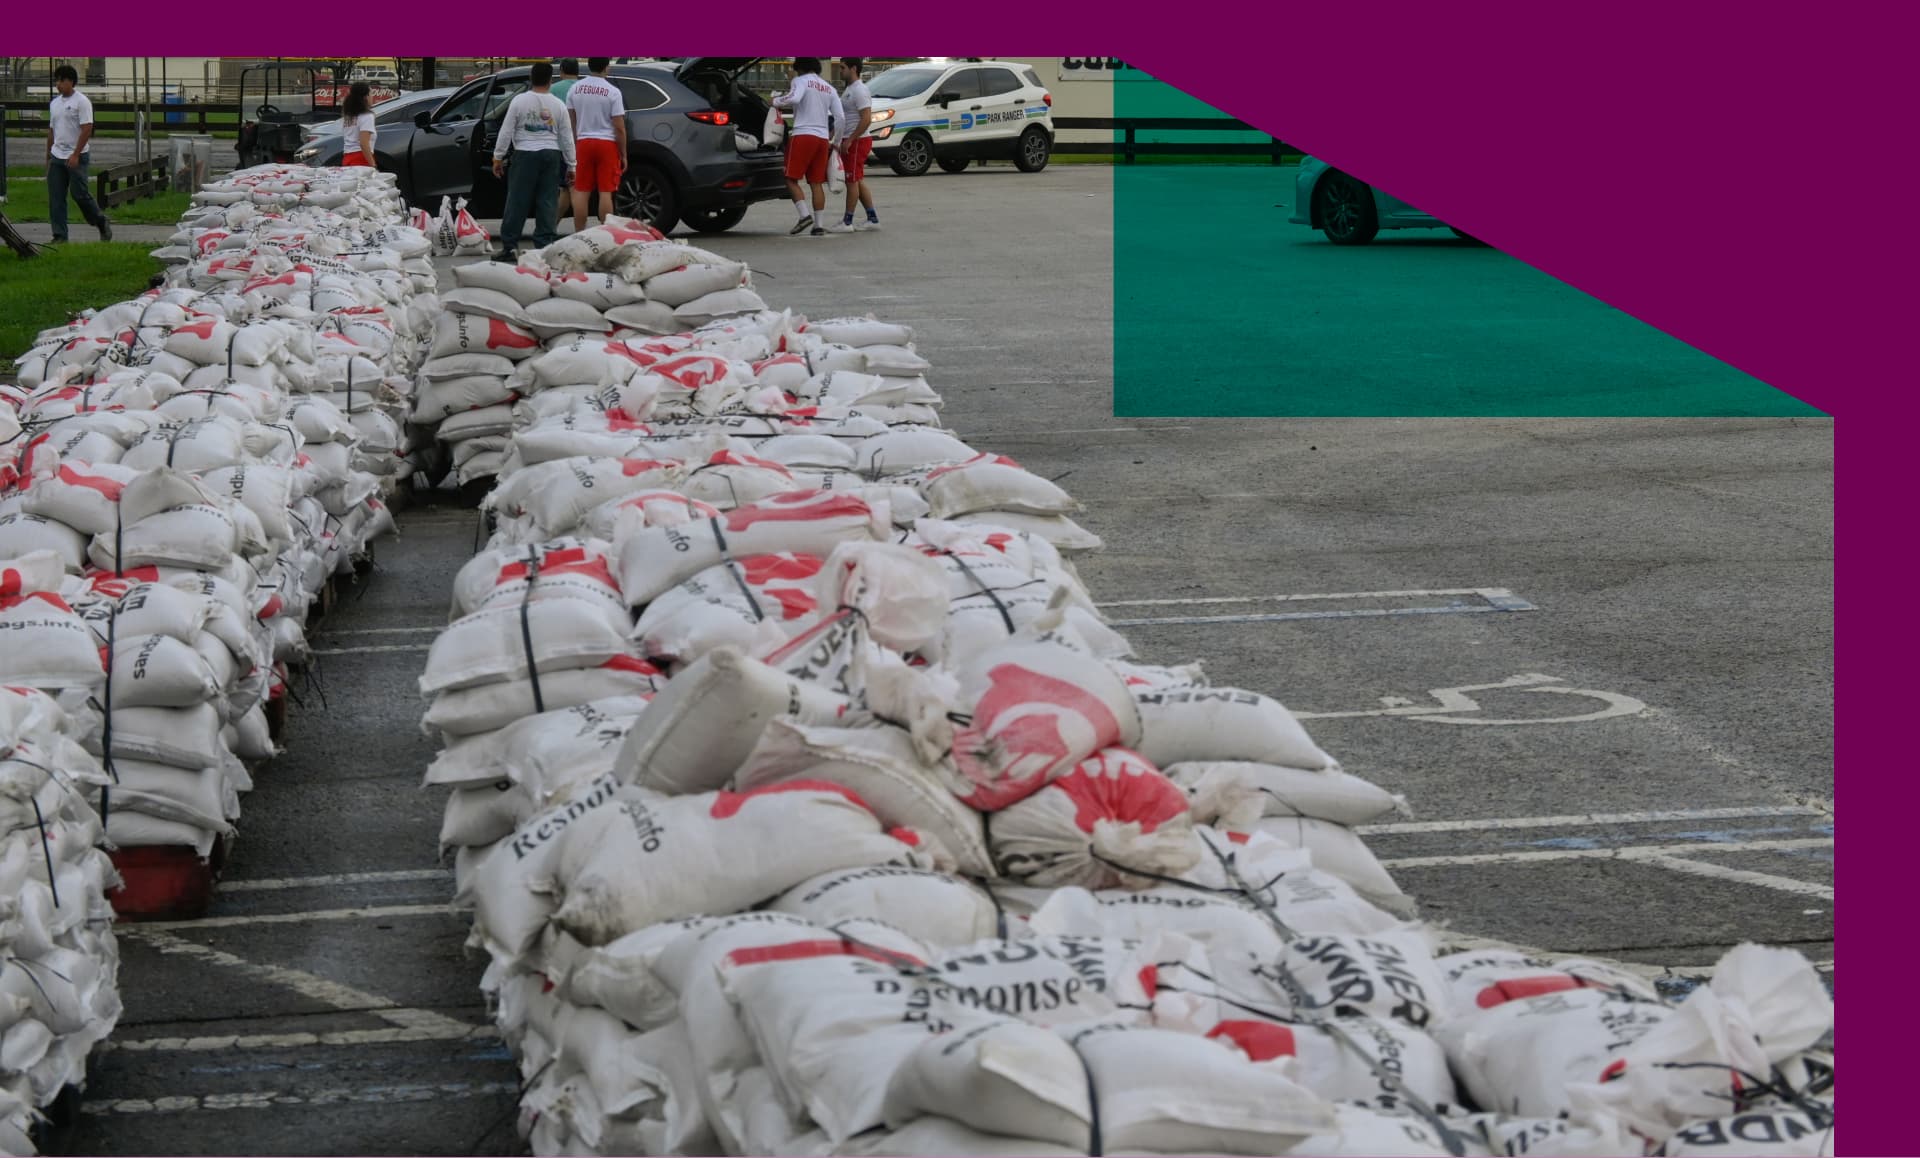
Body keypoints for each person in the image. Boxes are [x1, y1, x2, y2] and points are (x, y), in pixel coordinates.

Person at [492, 62, 575, 261]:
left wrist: (498, 156)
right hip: (551, 155)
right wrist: (572, 165)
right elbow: (567, 137)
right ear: (550, 80)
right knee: (547, 202)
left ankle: (510, 247)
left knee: (517, 201)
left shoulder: (519, 101)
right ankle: (544, 248)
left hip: (524, 154)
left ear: (531, 77)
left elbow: (506, 130)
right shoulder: (558, 104)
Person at [770, 58, 845, 237]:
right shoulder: (829, 88)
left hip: (803, 135)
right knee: (816, 182)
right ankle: (818, 226)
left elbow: (793, 97)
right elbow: (841, 118)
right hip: (822, 139)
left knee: (790, 178)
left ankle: (804, 216)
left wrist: (775, 100)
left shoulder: (800, 81)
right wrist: (836, 142)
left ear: (800, 68)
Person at [45, 64, 111, 243]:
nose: (58, 84)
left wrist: (75, 154)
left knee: (79, 194)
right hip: (57, 156)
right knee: (56, 197)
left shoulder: (81, 102)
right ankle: (59, 235)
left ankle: (100, 221)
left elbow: (87, 129)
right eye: (56, 80)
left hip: (76, 156)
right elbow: (52, 130)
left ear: (71, 82)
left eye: (62, 80)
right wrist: (48, 156)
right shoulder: (55, 103)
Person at [565, 57, 628, 234]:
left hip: (583, 142)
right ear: (606, 68)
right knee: (605, 191)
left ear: (589, 66)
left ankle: (579, 233)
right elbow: (619, 127)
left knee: (581, 191)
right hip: (607, 144)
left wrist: (575, 144)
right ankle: (607, 233)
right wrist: (623, 153)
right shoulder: (612, 91)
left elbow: (571, 121)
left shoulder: (575, 88)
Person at [825, 58, 879, 233]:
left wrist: (850, 140)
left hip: (857, 141)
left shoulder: (860, 91)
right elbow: (843, 118)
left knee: (851, 180)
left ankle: (847, 222)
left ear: (853, 68)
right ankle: (873, 219)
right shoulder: (849, 90)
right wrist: (832, 136)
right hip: (850, 140)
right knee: (857, 179)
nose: (840, 71)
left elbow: (866, 118)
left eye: (842, 68)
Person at [338, 82, 377, 168]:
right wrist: (373, 165)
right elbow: (363, 143)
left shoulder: (348, 116)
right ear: (365, 97)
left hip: (347, 158)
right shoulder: (367, 116)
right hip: (361, 159)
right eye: (371, 94)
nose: (372, 97)